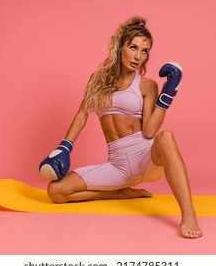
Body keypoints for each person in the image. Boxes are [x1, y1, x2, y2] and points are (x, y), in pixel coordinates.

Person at [39, 17, 202, 239]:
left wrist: (168, 95)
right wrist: (65, 146)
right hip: (116, 167)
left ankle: (189, 213)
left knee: (167, 137)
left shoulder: (146, 85)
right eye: (133, 47)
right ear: (120, 46)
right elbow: (81, 115)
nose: (138, 56)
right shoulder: (97, 80)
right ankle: (119, 192)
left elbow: (149, 132)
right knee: (55, 191)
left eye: (144, 51)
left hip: (145, 158)